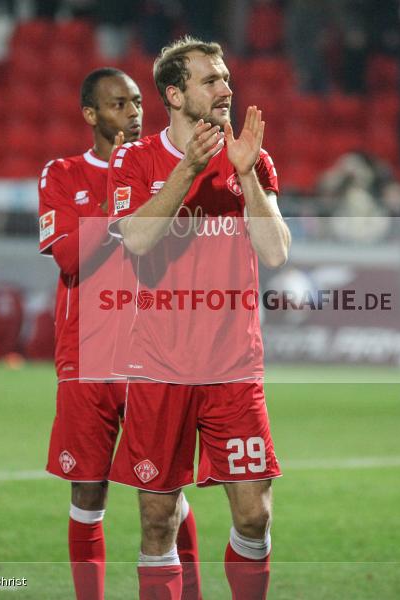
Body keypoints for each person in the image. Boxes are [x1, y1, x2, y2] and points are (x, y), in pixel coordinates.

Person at [107, 37, 290, 599]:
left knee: (255, 515)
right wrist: (189, 170)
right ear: (174, 93)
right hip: (160, 366)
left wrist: (249, 178)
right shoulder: (135, 159)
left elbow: (276, 250)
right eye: (210, 79)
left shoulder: (252, 158)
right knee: (157, 520)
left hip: (234, 366)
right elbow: (135, 239)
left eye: (226, 78)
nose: (225, 88)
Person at [37, 68, 201, 600]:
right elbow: (66, 254)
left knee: (166, 493)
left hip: (155, 352)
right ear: (91, 115)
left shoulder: (163, 164)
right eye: (119, 104)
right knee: (87, 491)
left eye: (137, 102)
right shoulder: (61, 174)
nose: (134, 112)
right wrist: (126, 215)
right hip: (86, 354)